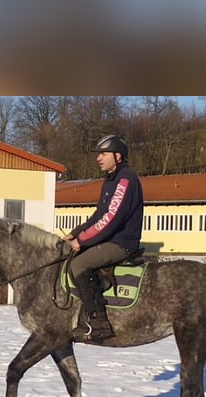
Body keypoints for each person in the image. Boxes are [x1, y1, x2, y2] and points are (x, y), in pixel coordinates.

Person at [63, 134, 144, 341]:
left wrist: (81, 241)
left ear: (118, 156)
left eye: (104, 153)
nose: (99, 158)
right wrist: (76, 232)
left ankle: (99, 323)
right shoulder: (110, 180)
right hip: (109, 239)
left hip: (122, 243)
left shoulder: (125, 180)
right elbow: (98, 215)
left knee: (79, 264)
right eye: (99, 154)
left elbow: (110, 219)